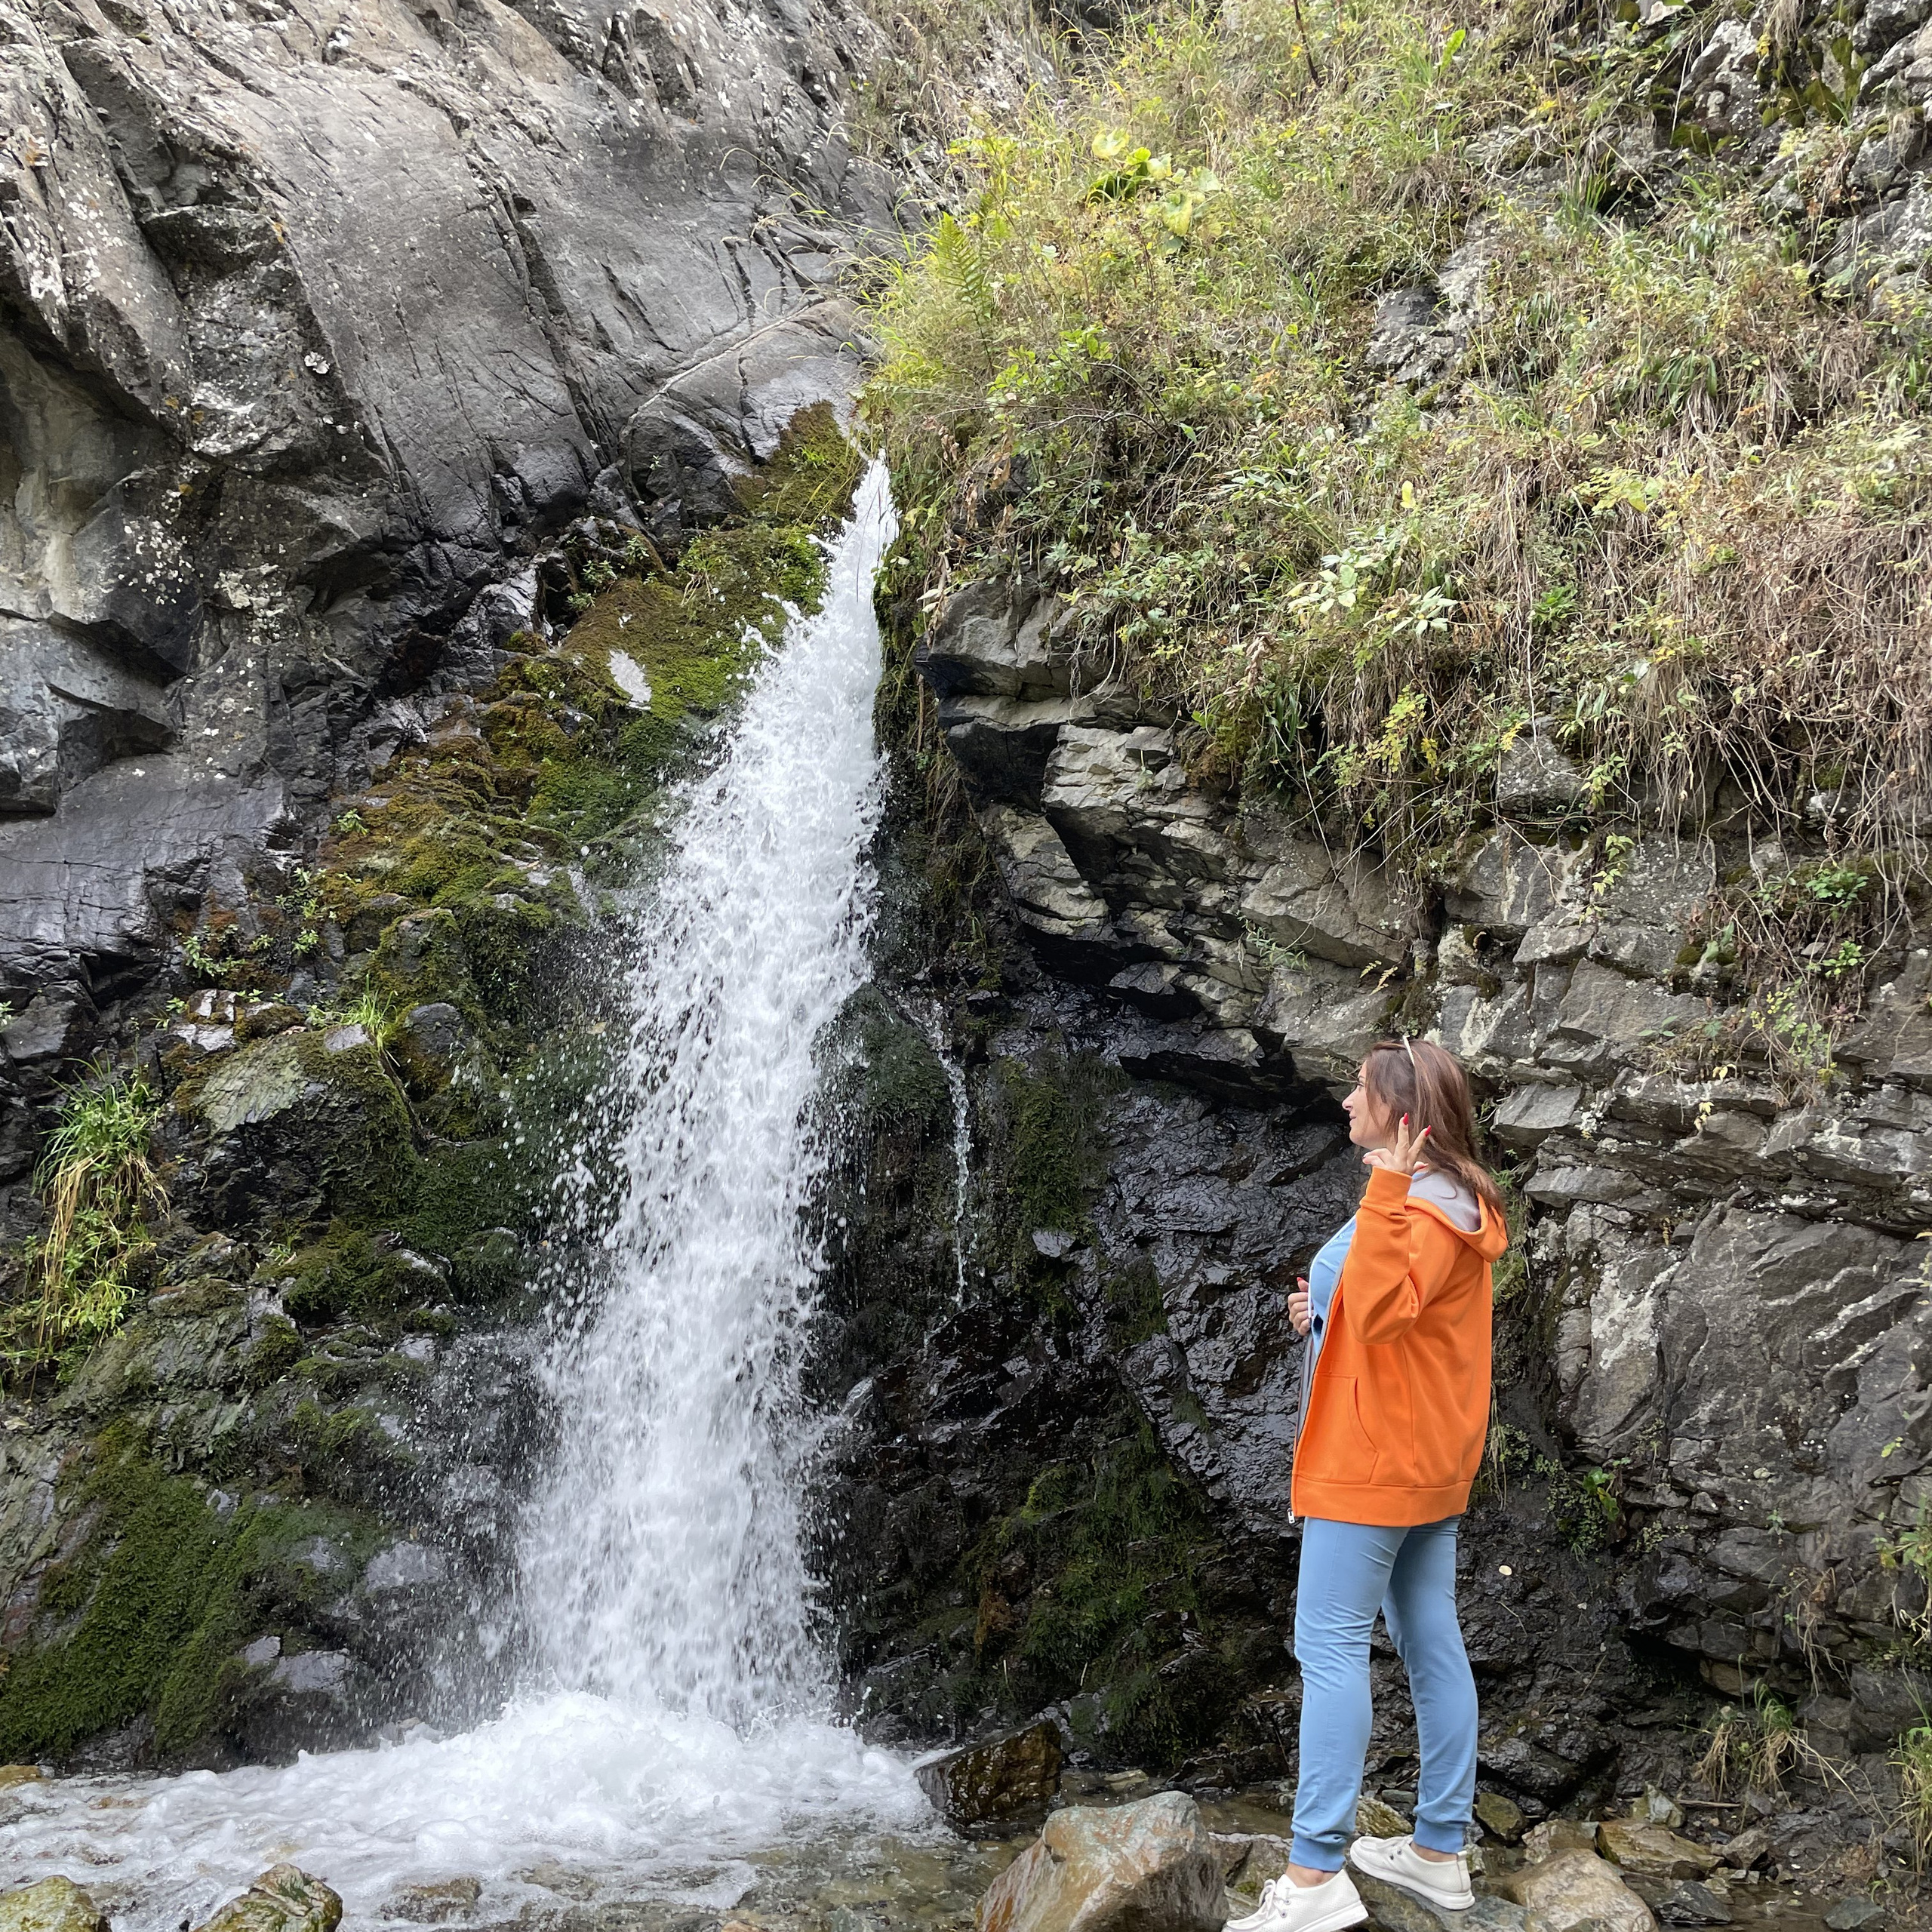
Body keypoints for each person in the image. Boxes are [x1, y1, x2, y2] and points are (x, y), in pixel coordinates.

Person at [1232, 1036, 1511, 1932]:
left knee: (1329, 1649)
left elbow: (1389, 1311)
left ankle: (1313, 1878)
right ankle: (1437, 1850)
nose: (1345, 1103)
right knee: (1428, 1635)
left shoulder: (1414, 1203)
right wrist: (1323, 1311)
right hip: (1423, 1455)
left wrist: (1384, 1188)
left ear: (1400, 1118)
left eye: (1358, 1093)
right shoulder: (1451, 1201)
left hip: (1373, 1461)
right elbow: (1391, 1309)